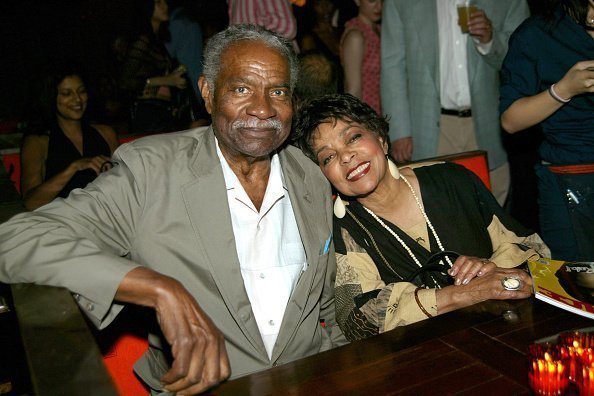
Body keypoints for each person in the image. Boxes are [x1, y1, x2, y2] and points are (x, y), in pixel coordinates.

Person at [0, 25, 346, 394]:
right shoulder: (152, 172)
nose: (262, 108)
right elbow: (15, 239)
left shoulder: (310, 174)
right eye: (241, 89)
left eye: (277, 91)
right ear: (208, 94)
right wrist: (157, 288)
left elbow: (326, 308)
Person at [293, 94, 549, 341]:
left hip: (505, 329)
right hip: (422, 356)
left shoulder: (453, 181)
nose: (346, 156)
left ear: (381, 139)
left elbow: (536, 252)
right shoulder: (343, 229)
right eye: (328, 157)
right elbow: (360, 319)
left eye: (353, 137)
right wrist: (463, 294)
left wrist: (495, 269)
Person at [381, 0, 530, 206]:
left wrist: (490, 40)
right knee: (436, 212)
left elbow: (524, 58)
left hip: (489, 128)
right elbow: (392, 66)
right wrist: (399, 130)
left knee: (493, 215)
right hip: (428, 127)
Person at [500, 0, 594, 261]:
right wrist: (564, 90)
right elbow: (511, 120)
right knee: (578, 291)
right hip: (573, 179)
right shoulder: (540, 33)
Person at [20, 67, 119, 211]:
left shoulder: (106, 133)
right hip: (63, 222)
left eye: (81, 91)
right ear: (51, 97)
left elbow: (125, 184)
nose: (77, 99)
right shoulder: (38, 142)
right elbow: (31, 203)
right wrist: (74, 168)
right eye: (67, 93)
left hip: (106, 216)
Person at [117, 0, 190, 134]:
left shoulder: (155, 40)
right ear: (147, 7)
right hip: (148, 112)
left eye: (165, 2)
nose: (165, 5)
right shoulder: (142, 40)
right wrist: (167, 80)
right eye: (158, 2)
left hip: (162, 110)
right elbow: (124, 81)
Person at [340, 0, 382, 115]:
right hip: (366, 113)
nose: (379, 6)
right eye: (372, 1)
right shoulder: (356, 35)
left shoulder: (381, 30)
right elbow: (353, 88)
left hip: (384, 111)